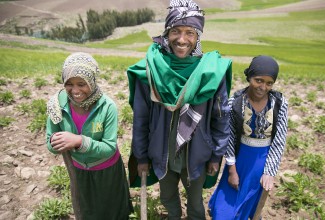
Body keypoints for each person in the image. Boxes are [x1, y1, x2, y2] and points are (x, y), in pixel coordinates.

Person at [126, 0, 232, 219]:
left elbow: (220, 118)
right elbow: (141, 120)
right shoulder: (151, 69)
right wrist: (142, 157)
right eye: (175, 31)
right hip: (162, 153)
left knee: (195, 204)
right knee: (167, 197)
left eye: (190, 33)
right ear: (166, 33)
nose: (182, 40)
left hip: (197, 154)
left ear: (198, 37)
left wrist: (216, 156)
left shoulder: (211, 73)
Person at [45, 52, 133, 220]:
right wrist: (55, 142)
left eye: (81, 84)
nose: (75, 90)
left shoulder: (107, 107)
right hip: (79, 170)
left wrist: (78, 141)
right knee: (87, 209)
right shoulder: (57, 105)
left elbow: (108, 147)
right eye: (69, 84)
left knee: (113, 208)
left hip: (107, 170)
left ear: (91, 82)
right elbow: (50, 142)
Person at [208, 55, 288, 219]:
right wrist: (231, 170)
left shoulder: (279, 103)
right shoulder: (236, 102)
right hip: (239, 158)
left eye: (269, 83)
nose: (263, 87)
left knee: (249, 207)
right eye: (258, 80)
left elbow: (279, 140)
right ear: (249, 77)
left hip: (262, 161)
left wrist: (269, 172)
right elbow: (229, 138)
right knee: (225, 210)